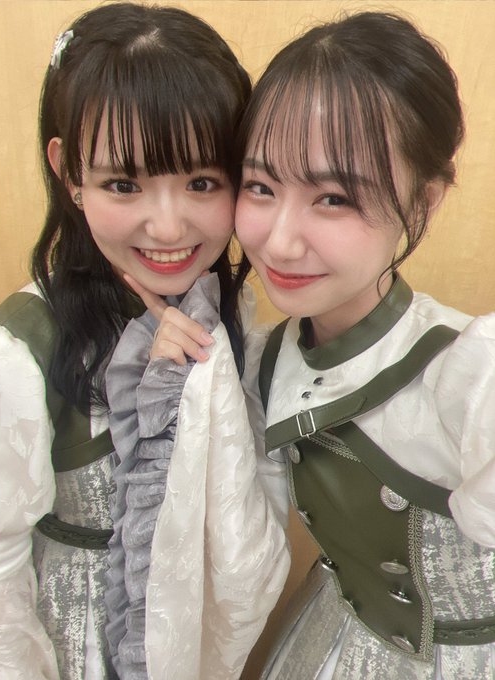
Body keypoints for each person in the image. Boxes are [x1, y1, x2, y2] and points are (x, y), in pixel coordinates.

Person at [178, 10, 495, 680]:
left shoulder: (468, 377)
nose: (279, 241)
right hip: (324, 642)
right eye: (261, 187)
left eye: (333, 198)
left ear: (424, 201)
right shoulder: (262, 361)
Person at [0, 4, 290, 679]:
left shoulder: (234, 317)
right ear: (69, 174)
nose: (168, 227)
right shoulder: (14, 353)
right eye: (124, 184)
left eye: (202, 182)